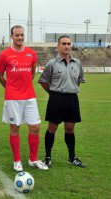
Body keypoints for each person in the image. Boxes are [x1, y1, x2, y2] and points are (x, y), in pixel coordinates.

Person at [0, 25, 48, 172]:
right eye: (17, 35)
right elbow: (0, 74)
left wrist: (24, 86)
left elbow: (32, 73)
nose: (20, 38)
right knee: (15, 127)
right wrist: (10, 88)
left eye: (22, 35)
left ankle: (33, 159)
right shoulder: (4, 54)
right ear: (11, 36)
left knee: (35, 127)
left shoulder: (31, 53)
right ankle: (17, 160)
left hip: (29, 96)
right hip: (12, 97)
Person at [38, 35, 86, 168]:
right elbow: (43, 81)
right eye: (63, 43)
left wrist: (69, 89)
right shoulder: (52, 64)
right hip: (56, 99)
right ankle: (47, 157)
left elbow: (79, 81)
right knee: (52, 128)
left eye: (68, 43)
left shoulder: (77, 63)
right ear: (58, 46)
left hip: (72, 99)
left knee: (70, 128)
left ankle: (72, 157)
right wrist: (54, 93)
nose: (66, 46)